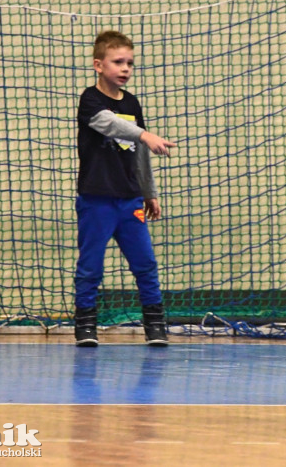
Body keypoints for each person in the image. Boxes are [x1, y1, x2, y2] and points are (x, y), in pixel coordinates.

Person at [73, 30, 176, 347]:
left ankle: (155, 326)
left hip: (129, 200)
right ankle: (86, 326)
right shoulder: (90, 100)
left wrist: (150, 192)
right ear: (98, 65)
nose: (125, 68)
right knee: (90, 266)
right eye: (118, 62)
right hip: (97, 201)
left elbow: (139, 152)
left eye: (130, 63)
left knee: (145, 264)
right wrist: (144, 135)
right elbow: (110, 123)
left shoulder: (132, 103)